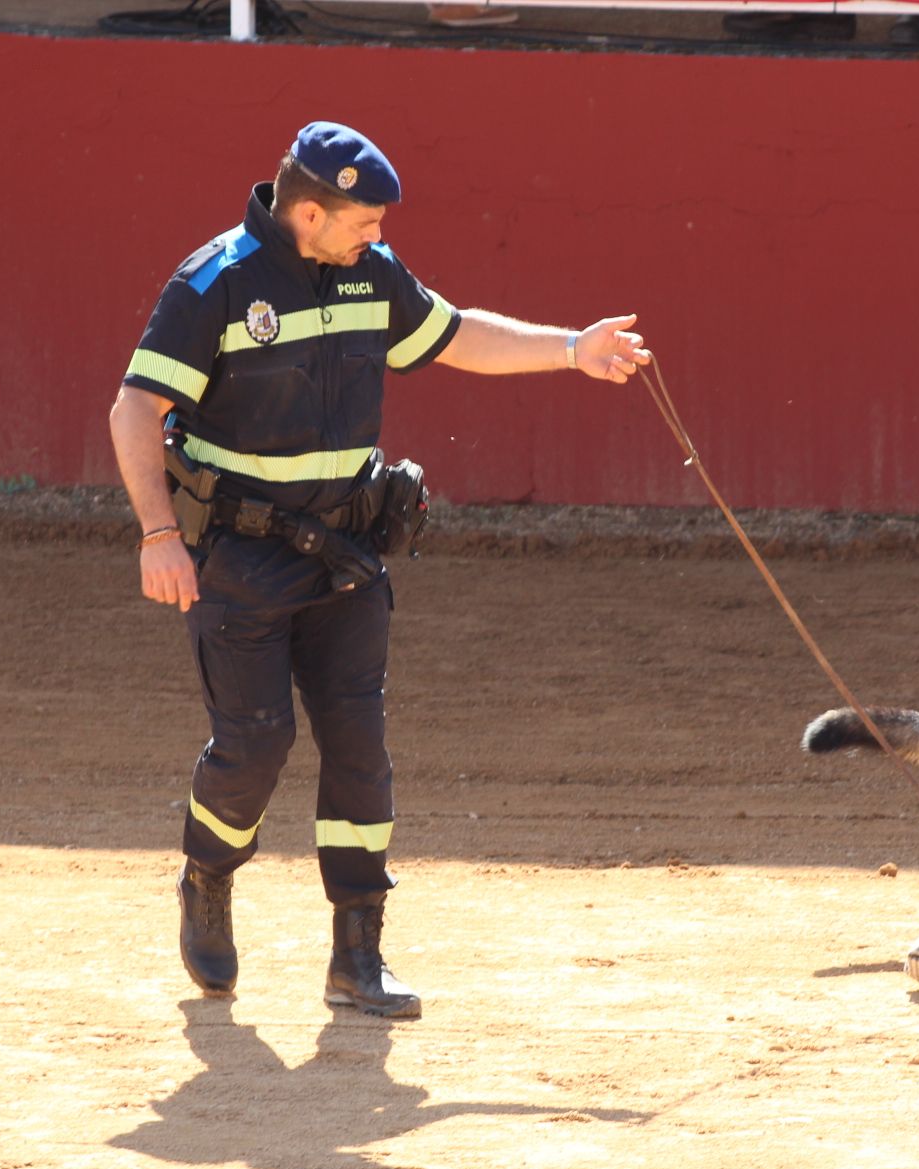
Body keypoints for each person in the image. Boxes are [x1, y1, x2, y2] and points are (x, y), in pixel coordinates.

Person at [108, 121, 650, 1019]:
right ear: (309, 213)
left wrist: (570, 348)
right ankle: (208, 874)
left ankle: (357, 955)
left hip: (348, 555)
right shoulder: (215, 284)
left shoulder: (371, 273)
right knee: (255, 746)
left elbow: (455, 335)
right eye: (366, 222)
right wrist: (157, 536)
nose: (381, 238)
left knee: (360, 750)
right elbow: (136, 410)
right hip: (239, 558)